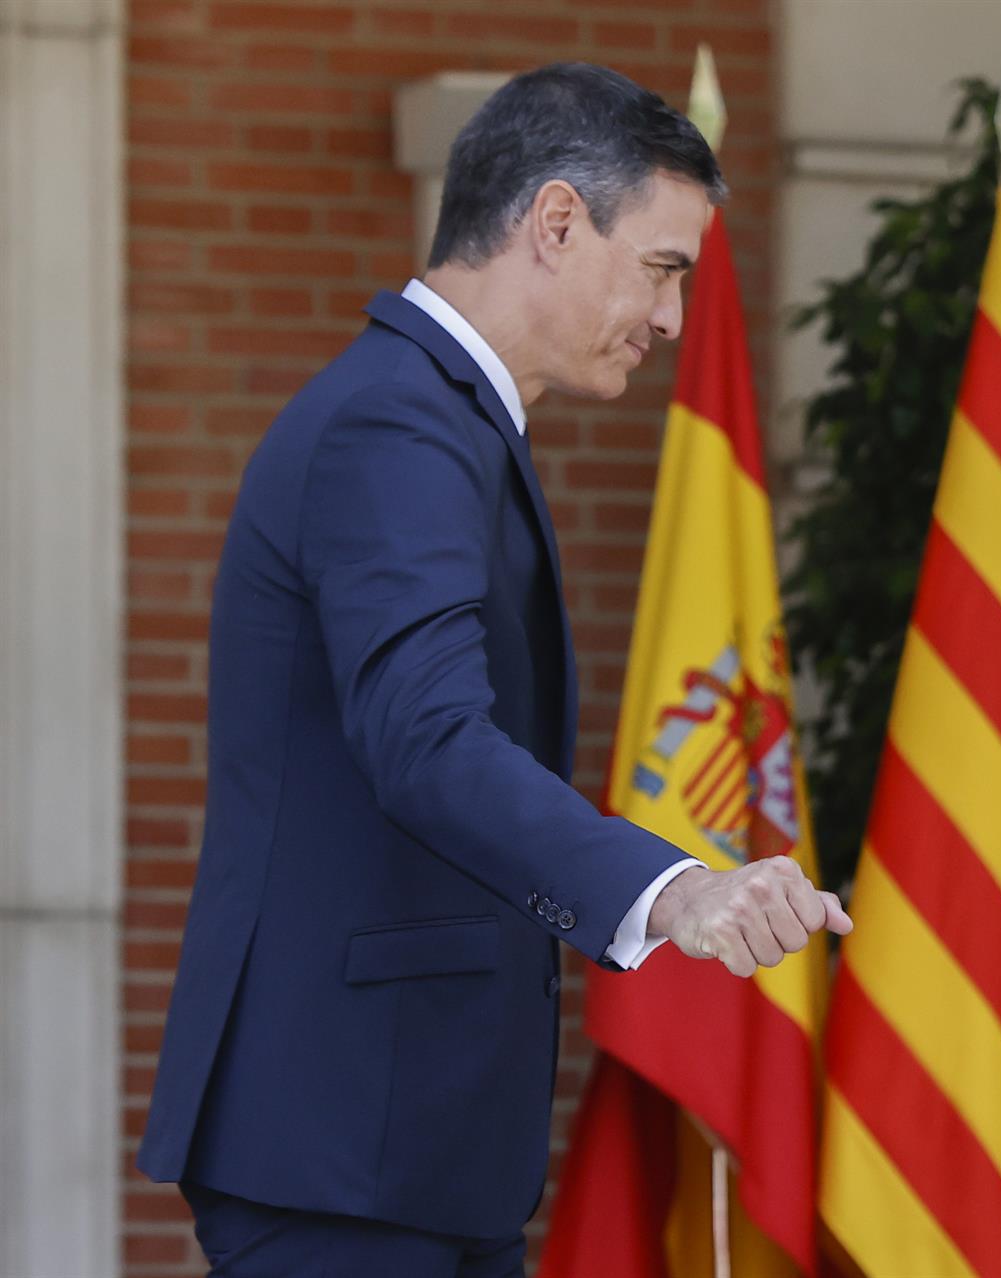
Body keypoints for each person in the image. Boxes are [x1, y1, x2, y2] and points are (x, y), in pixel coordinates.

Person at [137, 63, 850, 1276]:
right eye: (664, 269)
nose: (673, 319)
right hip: (345, 1155)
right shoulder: (400, 421)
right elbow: (426, 738)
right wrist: (672, 891)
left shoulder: (437, 416)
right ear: (557, 222)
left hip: (400, 1150)